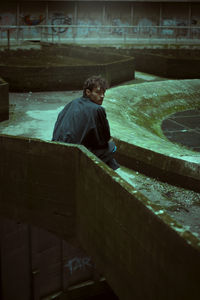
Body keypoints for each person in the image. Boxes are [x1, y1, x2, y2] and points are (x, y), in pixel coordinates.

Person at [52, 75, 119, 170]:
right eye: (98, 92)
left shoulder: (73, 103)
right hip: (76, 154)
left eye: (104, 93)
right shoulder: (97, 109)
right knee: (111, 146)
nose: (102, 96)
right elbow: (104, 139)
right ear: (88, 92)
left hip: (58, 147)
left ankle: (112, 169)